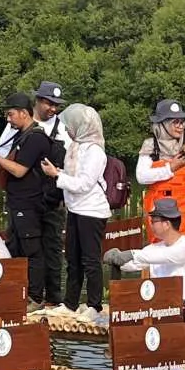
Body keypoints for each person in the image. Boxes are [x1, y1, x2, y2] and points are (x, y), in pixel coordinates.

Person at [0, 93, 53, 306]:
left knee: (32, 251)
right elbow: (9, 168)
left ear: (23, 113)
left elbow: (20, 171)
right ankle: (20, 293)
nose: (8, 119)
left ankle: (36, 296)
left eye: (10, 114)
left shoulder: (35, 137)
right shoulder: (21, 135)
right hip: (17, 202)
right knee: (16, 249)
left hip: (30, 204)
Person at [40, 103, 110, 320]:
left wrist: (55, 175)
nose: (68, 130)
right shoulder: (76, 147)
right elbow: (75, 176)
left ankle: (94, 305)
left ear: (82, 126)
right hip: (75, 209)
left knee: (90, 260)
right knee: (73, 258)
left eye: (71, 125)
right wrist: (58, 171)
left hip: (92, 211)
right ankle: (70, 303)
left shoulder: (96, 151)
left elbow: (84, 184)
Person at [105, 197, 185, 331]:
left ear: (166, 224)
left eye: (153, 221)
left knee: (169, 307)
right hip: (159, 308)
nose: (150, 224)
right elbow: (133, 264)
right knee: (136, 307)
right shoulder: (152, 249)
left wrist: (130, 253)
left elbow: (164, 256)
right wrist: (114, 258)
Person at [136, 99, 185, 241]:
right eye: (175, 122)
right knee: (159, 250)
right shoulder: (150, 146)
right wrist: (171, 168)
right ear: (162, 123)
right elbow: (141, 177)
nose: (181, 126)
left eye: (182, 121)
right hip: (158, 207)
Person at [32, 79, 69, 309]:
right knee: (28, 249)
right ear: (37, 101)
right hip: (28, 199)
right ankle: (32, 296)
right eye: (48, 103)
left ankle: (54, 298)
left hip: (53, 199)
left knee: (53, 249)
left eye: (56, 105)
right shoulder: (20, 123)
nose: (53, 109)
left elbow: (72, 160)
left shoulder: (64, 128)